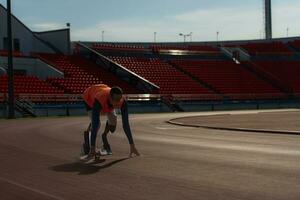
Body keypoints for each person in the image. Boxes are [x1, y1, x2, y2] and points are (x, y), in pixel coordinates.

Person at [82, 84, 140, 158]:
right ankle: (87, 137)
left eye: (119, 100)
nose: (117, 103)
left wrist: (132, 145)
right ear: (110, 97)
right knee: (97, 124)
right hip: (89, 98)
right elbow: (95, 123)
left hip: (105, 99)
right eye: (115, 100)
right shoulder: (99, 99)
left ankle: (104, 136)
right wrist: (92, 148)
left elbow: (126, 124)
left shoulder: (121, 102)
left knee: (112, 127)